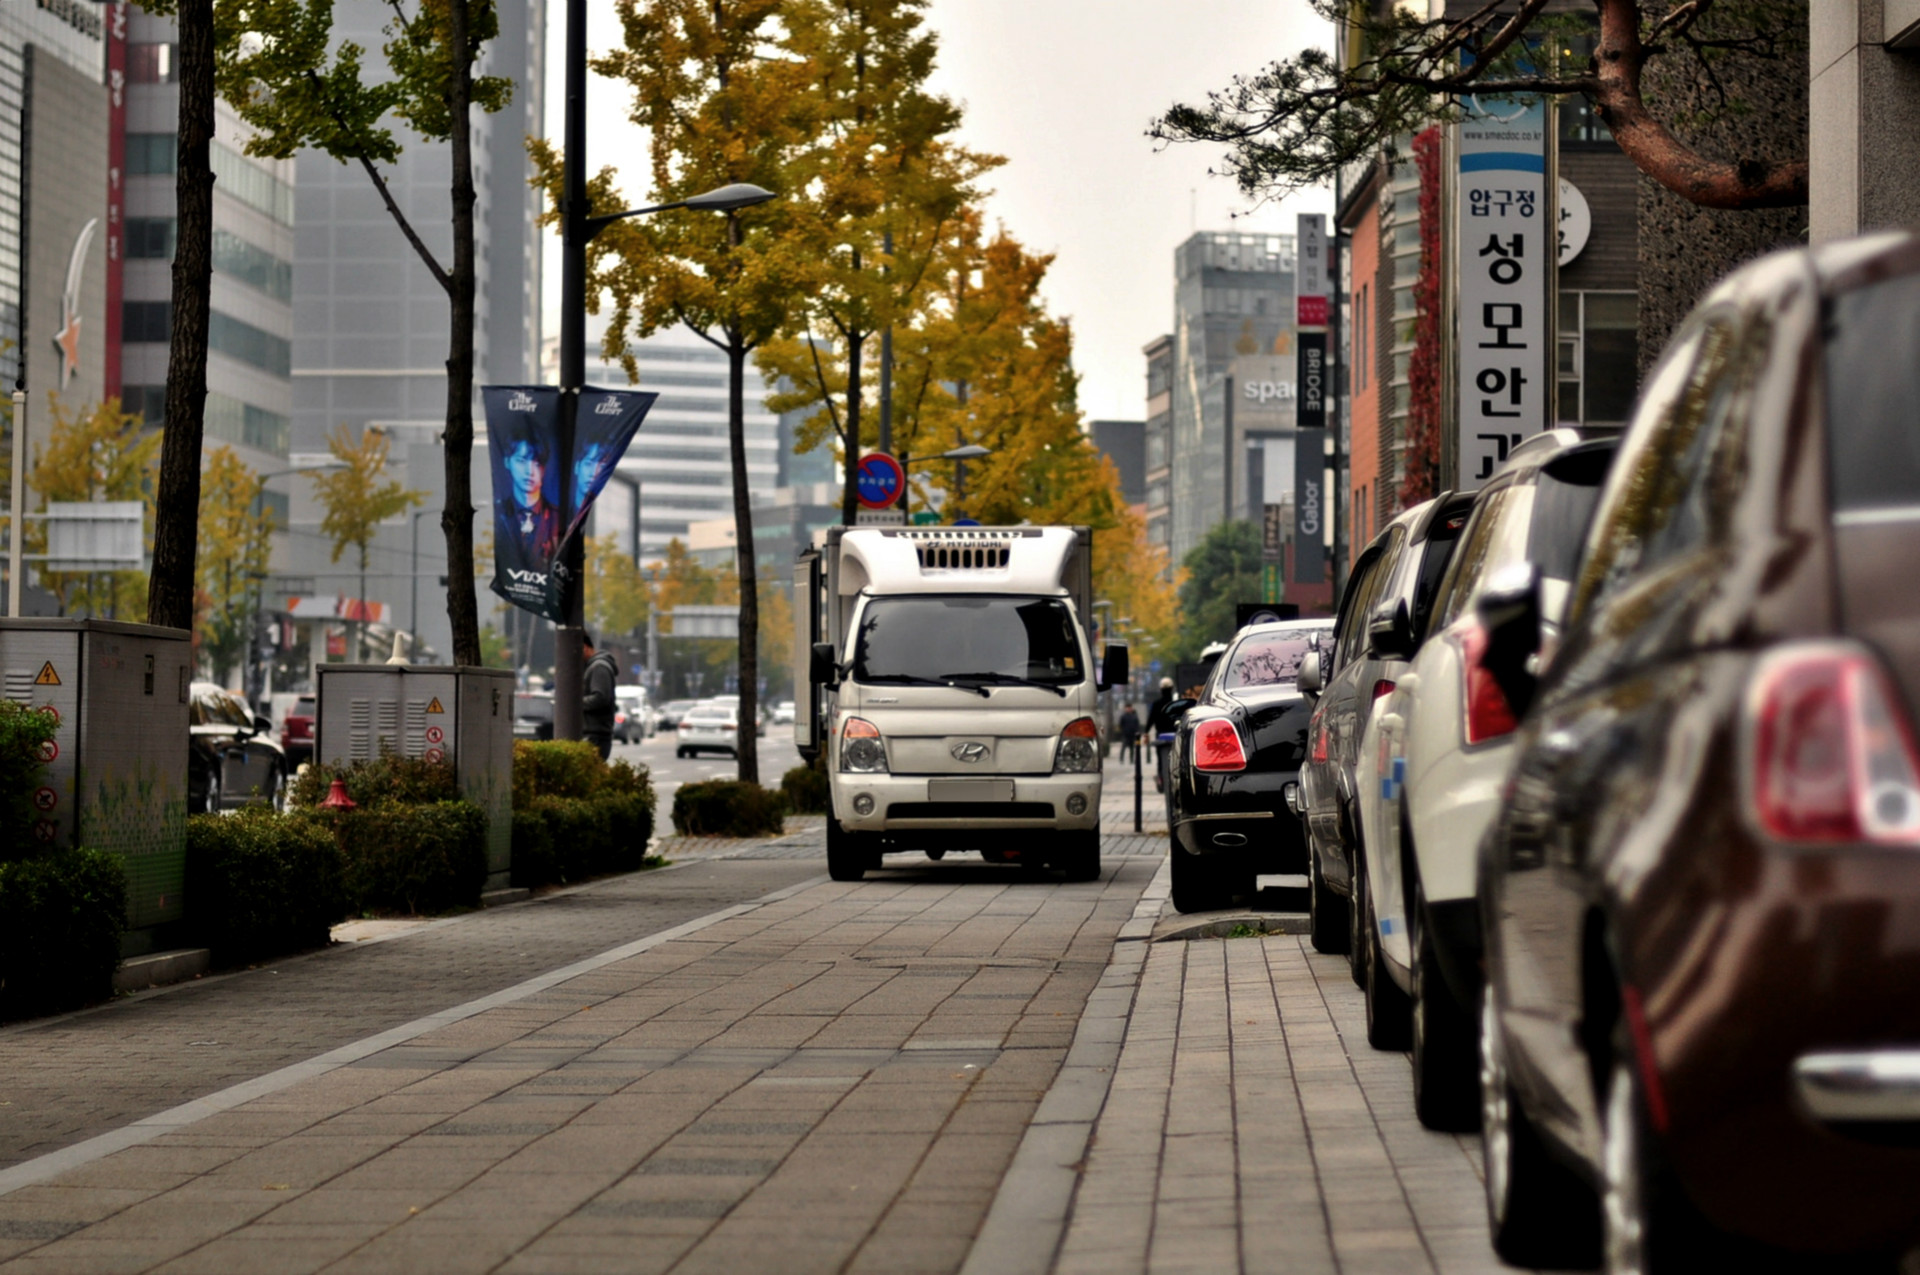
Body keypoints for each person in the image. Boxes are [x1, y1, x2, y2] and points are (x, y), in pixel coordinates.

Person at [495, 424, 560, 578]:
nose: (529, 471)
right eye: (521, 461)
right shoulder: (498, 513)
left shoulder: (558, 518)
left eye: (537, 464)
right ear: (507, 461)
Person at [581, 631, 618, 760]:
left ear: (584, 647)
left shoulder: (598, 668)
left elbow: (601, 698)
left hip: (595, 736)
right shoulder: (592, 667)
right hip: (593, 734)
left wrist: (575, 704)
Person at [1146, 677, 1179, 793]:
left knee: (1161, 760)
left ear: (1161, 690)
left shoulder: (1156, 704)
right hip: (1176, 735)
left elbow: (1151, 719)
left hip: (1161, 735)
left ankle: (1162, 780)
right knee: (1176, 759)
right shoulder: (1176, 703)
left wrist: (1146, 732)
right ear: (1172, 689)